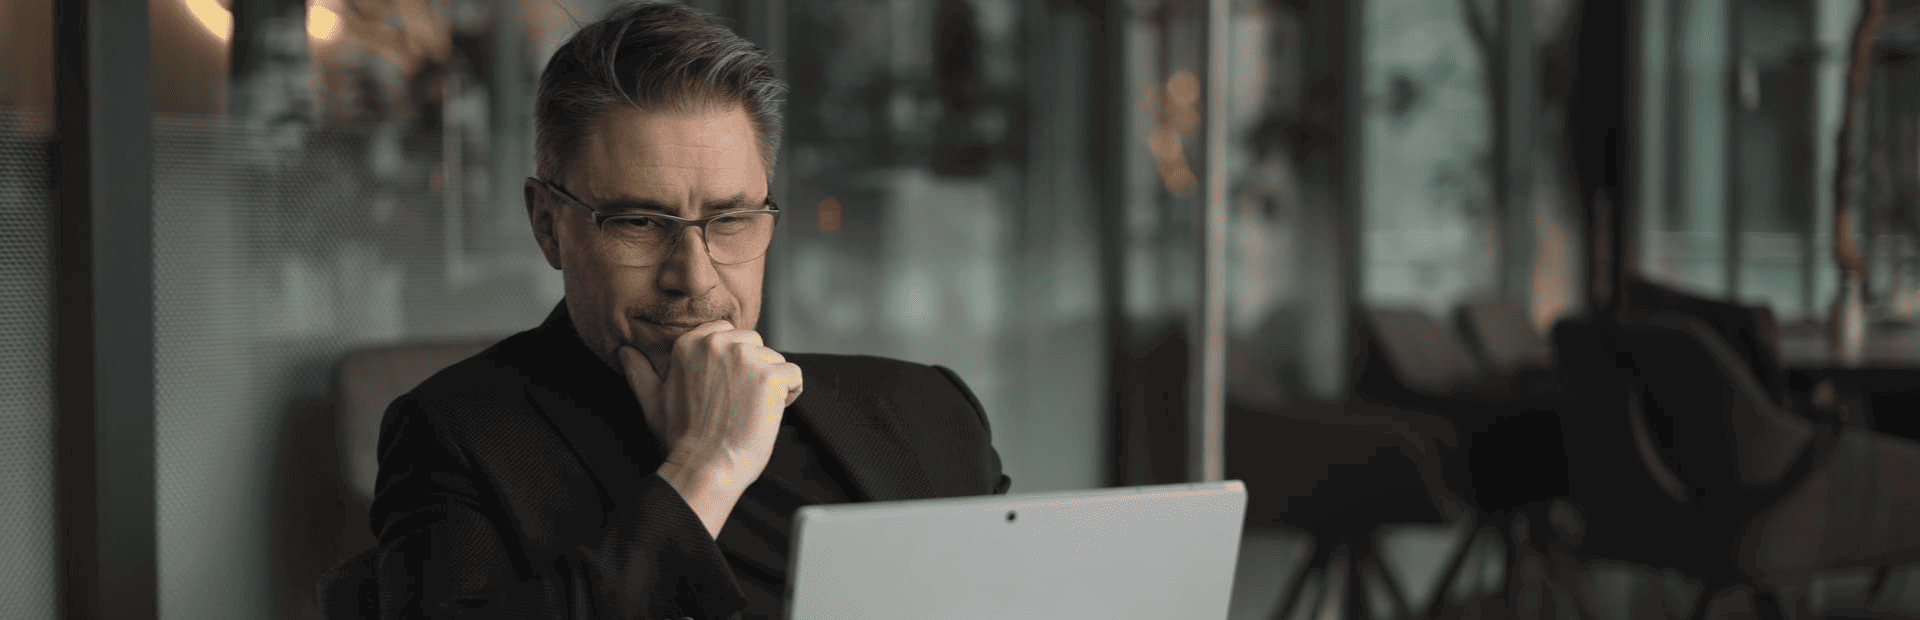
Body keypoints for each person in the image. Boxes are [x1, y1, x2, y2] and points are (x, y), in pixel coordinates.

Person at [365, 3, 1011, 618]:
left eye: (730, 220)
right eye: (640, 221)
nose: (693, 278)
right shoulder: (450, 438)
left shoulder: (929, 409)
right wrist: (705, 470)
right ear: (547, 224)